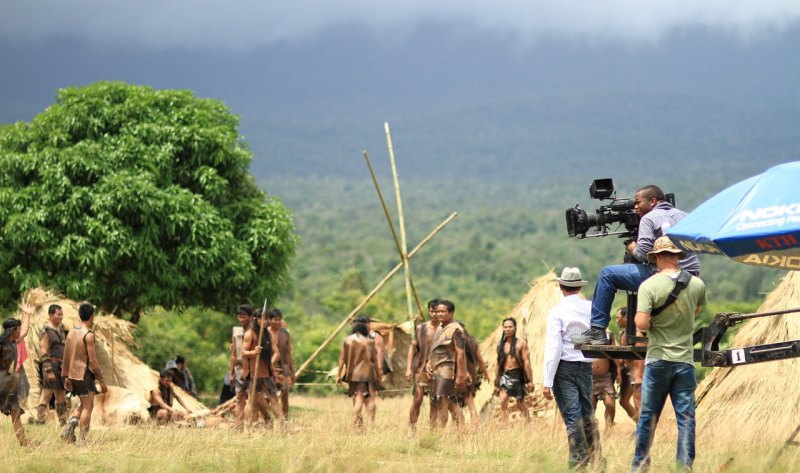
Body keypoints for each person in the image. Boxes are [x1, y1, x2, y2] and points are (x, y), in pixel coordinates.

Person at [572, 185, 700, 345]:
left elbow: (641, 254)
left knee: (607, 274)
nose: (635, 206)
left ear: (652, 201)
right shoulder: (684, 215)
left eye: (638, 202)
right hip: (690, 276)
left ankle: (597, 330)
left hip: (664, 277)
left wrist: (633, 248)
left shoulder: (649, 218)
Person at [631, 236, 706, 473]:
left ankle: (640, 467)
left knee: (648, 419)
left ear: (657, 257)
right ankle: (684, 468)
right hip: (684, 361)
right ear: (677, 256)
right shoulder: (696, 284)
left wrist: (645, 320)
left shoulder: (649, 286)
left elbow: (642, 324)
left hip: (659, 360)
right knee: (686, 420)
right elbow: (695, 311)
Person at [542, 267, 601, 470]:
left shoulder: (557, 311)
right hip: (586, 366)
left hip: (565, 368)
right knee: (587, 415)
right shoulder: (591, 307)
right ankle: (596, 458)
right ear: (579, 287)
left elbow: (554, 347)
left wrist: (547, 381)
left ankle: (578, 462)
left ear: (561, 286)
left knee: (573, 418)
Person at [61, 302, 108, 444]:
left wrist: (66, 377)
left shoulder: (71, 332)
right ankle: (82, 439)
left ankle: (68, 430)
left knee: (82, 404)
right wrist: (102, 380)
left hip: (72, 375)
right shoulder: (88, 335)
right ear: (92, 316)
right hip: (84, 375)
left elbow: (67, 355)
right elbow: (93, 361)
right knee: (88, 406)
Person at [426, 300, 467, 429]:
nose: (439, 314)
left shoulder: (456, 329)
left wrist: (461, 376)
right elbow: (436, 349)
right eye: (437, 311)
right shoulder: (440, 327)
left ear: (451, 313)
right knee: (441, 403)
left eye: (443, 311)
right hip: (435, 372)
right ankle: (461, 431)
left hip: (447, 371)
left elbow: (461, 354)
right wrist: (428, 363)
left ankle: (440, 435)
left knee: (442, 402)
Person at [337, 318, 382, 429]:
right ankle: (371, 424)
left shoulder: (346, 340)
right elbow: (375, 361)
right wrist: (379, 375)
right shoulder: (370, 342)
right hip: (369, 374)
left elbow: (342, 359)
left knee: (358, 399)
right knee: (370, 400)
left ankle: (355, 424)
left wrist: (339, 375)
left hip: (353, 374)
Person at [0, 303, 35, 446]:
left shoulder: (14, 342)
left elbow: (25, 331)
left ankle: (24, 443)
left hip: (8, 382)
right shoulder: (1, 345)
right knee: (14, 412)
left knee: (15, 412)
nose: (20, 331)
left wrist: (27, 314)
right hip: (2, 380)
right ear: (12, 330)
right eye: (18, 329)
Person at [241, 310, 284, 426]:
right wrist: (253, 352)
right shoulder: (249, 334)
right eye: (263, 319)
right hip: (253, 372)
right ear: (256, 319)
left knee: (274, 397)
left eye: (267, 319)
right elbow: (243, 352)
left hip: (266, 372)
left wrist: (271, 363)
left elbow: (276, 352)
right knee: (251, 400)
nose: (265, 322)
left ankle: (282, 424)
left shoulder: (268, 334)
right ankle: (247, 427)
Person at [405, 299, 441, 434]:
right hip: (420, 368)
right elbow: (413, 348)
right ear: (429, 311)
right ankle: (411, 427)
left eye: (438, 311)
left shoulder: (445, 328)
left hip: (439, 368)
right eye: (433, 311)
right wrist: (408, 368)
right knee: (418, 398)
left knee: (435, 401)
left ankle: (433, 431)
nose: (435, 314)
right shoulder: (421, 328)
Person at [33, 304, 68, 425]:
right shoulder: (46, 330)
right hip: (51, 366)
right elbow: (43, 350)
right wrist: (48, 370)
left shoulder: (61, 329)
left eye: (61, 314)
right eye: (58, 314)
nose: (61, 317)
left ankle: (63, 420)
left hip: (60, 367)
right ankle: (40, 419)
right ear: (51, 315)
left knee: (61, 394)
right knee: (47, 393)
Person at [495, 317, 534, 422]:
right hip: (505, 375)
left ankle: (528, 422)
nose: (508, 329)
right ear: (503, 328)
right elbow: (498, 364)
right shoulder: (500, 345)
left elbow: (526, 362)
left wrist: (530, 380)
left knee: (520, 403)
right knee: (503, 400)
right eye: (506, 327)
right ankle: (504, 424)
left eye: (510, 327)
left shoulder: (521, 344)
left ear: (515, 328)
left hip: (518, 375)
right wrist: (496, 381)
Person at [616, 307, 644, 422]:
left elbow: (642, 355)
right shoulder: (623, 334)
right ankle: (640, 426)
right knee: (623, 401)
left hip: (637, 373)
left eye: (618, 318)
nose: (617, 321)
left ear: (626, 317)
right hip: (628, 372)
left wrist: (639, 376)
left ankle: (644, 431)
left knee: (638, 402)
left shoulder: (637, 334)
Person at [459, 320, 488, 427]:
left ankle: (460, 430)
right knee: (470, 404)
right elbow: (480, 360)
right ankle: (474, 428)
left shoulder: (456, 342)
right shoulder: (473, 341)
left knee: (456, 406)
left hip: (460, 375)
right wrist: (486, 373)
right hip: (471, 375)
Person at [268, 308, 295, 419]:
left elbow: (288, 353)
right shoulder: (265, 332)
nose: (277, 322)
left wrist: (292, 371)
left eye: (279, 320)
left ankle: (285, 420)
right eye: (275, 319)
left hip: (284, 368)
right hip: (268, 367)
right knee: (267, 396)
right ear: (270, 320)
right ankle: (264, 419)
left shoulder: (285, 334)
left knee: (285, 395)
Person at [229, 304, 252, 424]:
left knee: (253, 398)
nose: (241, 319)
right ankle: (239, 424)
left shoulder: (254, 332)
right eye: (240, 317)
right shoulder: (236, 331)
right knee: (239, 397)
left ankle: (251, 423)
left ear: (250, 317)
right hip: (238, 368)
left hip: (252, 368)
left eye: (244, 316)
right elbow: (233, 354)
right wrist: (231, 372)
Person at [591, 330, 617, 431]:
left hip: (605, 376)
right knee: (591, 406)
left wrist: (618, 370)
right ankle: (591, 428)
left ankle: (608, 426)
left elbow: (614, 353)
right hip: (591, 376)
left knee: (610, 404)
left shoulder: (609, 334)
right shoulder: (587, 332)